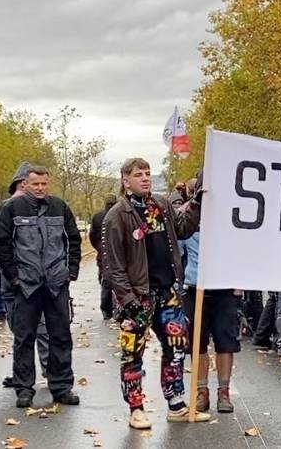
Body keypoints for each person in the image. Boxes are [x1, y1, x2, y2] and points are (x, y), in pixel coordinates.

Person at [100, 158, 209, 429]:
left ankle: (176, 403)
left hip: (167, 290)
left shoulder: (159, 205)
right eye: (139, 174)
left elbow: (183, 228)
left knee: (176, 348)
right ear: (126, 180)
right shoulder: (117, 215)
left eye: (148, 173)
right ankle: (136, 408)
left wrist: (197, 201)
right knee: (132, 353)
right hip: (137, 295)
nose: (145, 178)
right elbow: (112, 266)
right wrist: (128, 300)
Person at [0, 164, 81, 409]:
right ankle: (24, 389)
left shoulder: (59, 206)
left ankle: (62, 387)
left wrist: (71, 271)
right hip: (26, 285)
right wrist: (14, 277)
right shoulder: (11, 209)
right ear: (25, 184)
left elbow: (74, 239)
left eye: (44, 184)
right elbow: (1, 244)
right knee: (24, 339)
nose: (40, 188)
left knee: (61, 336)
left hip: (56, 283)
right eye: (35, 184)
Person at [181, 179, 239, 414]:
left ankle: (223, 392)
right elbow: (178, 252)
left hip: (224, 289)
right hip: (195, 289)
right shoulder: (187, 219)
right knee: (197, 342)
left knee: (226, 342)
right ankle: (201, 391)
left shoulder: (232, 220)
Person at [88, 195, 118, 321]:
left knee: (105, 281)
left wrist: (99, 247)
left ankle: (106, 310)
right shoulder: (119, 215)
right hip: (116, 252)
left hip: (103, 253)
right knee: (117, 281)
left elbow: (92, 235)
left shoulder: (98, 217)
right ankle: (115, 308)